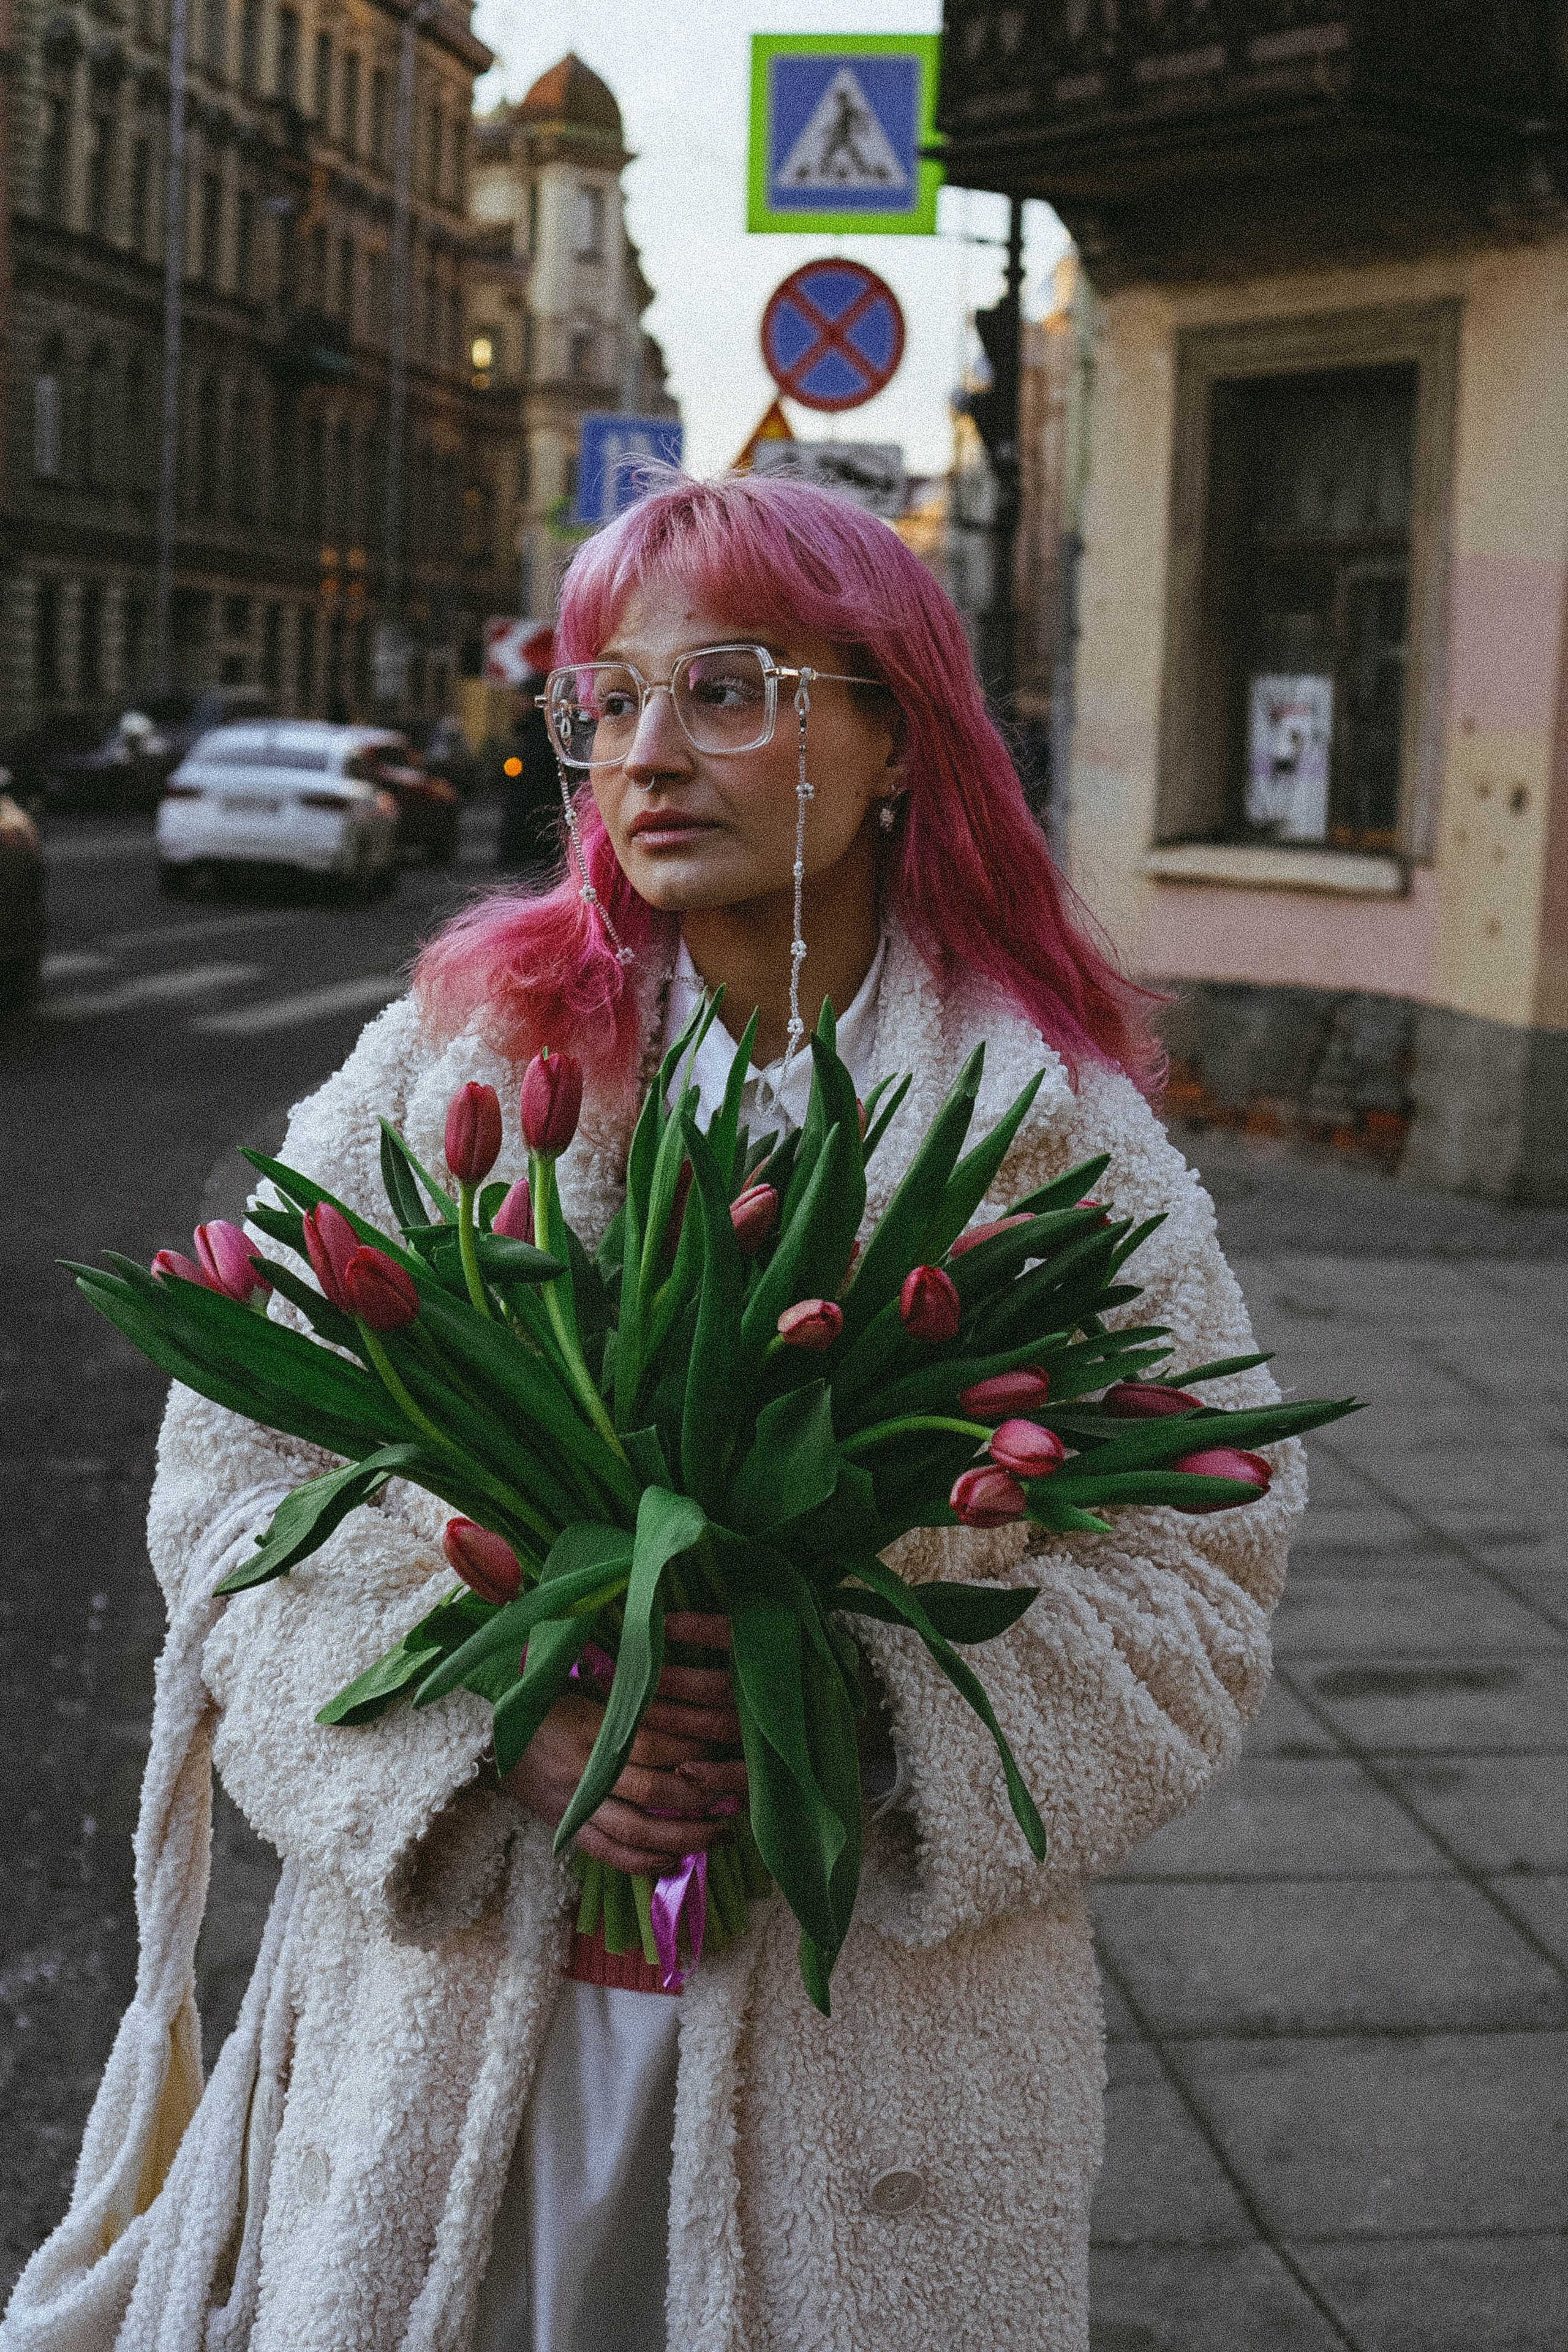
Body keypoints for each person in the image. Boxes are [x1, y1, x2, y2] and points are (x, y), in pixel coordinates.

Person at [5, 473, 1304, 2352]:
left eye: (729, 688)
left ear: (895, 743)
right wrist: (493, 1720)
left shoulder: (1051, 1132)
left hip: (881, 2057)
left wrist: (839, 1710)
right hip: (458, 2023)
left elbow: (1206, 1558)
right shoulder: (465, 1058)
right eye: (604, 701)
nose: (644, 755)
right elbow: (235, 1475)